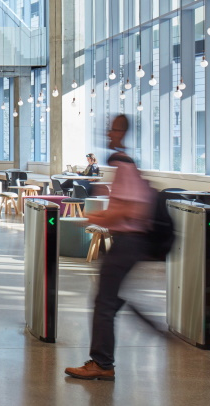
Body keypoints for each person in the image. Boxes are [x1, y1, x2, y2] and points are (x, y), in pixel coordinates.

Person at [66, 115, 154, 382]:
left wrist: (95, 218)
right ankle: (103, 360)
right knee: (107, 300)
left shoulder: (124, 165)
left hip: (128, 243)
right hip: (129, 243)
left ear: (122, 132)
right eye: (109, 128)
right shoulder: (126, 165)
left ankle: (102, 364)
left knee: (104, 302)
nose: (108, 133)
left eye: (113, 129)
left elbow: (126, 211)